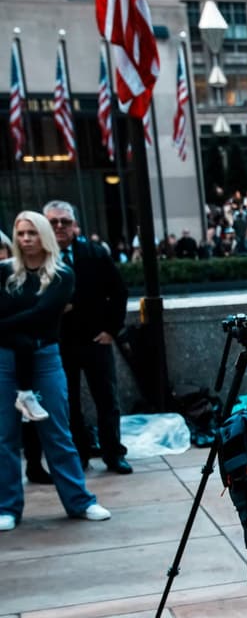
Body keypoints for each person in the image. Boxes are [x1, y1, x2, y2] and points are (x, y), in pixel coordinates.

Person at [0, 212, 111, 531]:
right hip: (6, 360)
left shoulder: (62, 274)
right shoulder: (5, 272)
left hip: (45, 357)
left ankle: (79, 501)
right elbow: (30, 318)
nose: (25, 239)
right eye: (20, 233)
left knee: (57, 431)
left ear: (44, 236)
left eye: (32, 233)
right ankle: (7, 506)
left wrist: (6, 324)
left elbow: (42, 317)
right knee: (5, 436)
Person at [25, 201, 131, 477]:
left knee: (107, 400)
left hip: (96, 340)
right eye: (53, 222)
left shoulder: (94, 254)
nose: (59, 226)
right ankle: (79, 456)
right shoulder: (36, 258)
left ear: (74, 226)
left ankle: (113, 454)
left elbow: (119, 292)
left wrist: (111, 330)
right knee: (67, 403)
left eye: (65, 221)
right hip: (56, 345)